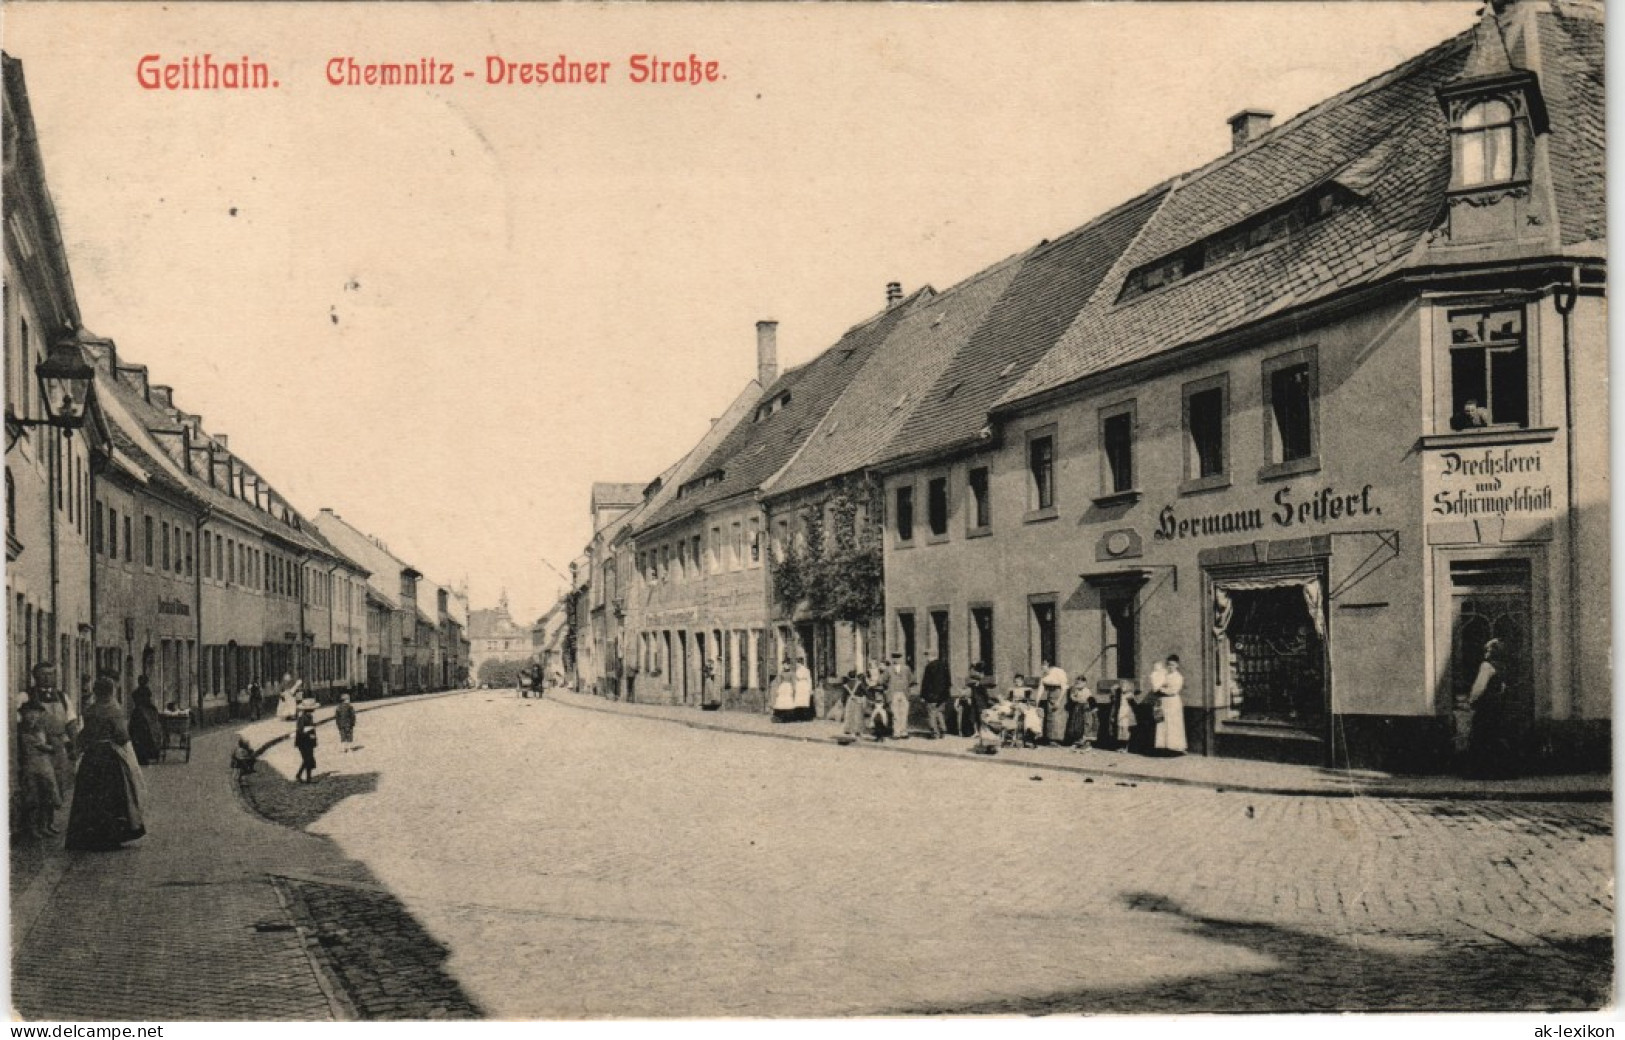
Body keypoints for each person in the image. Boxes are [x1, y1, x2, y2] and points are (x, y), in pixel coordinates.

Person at [64, 677, 146, 851]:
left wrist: (78, 749)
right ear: (111, 691)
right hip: (108, 756)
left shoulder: (90, 710)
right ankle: (109, 836)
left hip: (91, 757)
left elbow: (84, 735)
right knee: (112, 795)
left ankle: (87, 836)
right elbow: (122, 736)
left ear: (96, 692)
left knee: (89, 795)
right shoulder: (114, 710)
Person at [1464, 638, 1514, 778]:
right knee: (1496, 736)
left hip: (1487, 705)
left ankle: (1480, 771)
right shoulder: (1503, 667)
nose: (1486, 652)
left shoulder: (1486, 666)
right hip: (1499, 705)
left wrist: (1471, 700)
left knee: (1481, 735)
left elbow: (1479, 687)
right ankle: (1500, 770)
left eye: (1488, 649)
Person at [17, 701, 62, 838]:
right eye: (29, 713)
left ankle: (46, 825)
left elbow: (52, 744)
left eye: (35, 713)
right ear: (23, 714)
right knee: (33, 798)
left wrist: (52, 747)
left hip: (45, 766)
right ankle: (33, 827)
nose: (32, 716)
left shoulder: (41, 728)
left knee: (47, 796)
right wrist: (49, 747)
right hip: (30, 767)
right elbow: (44, 747)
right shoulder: (20, 730)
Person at [1151, 655, 1188, 755]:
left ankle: (1175, 746)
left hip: (1173, 702)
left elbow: (1173, 690)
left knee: (1173, 724)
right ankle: (1164, 746)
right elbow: (1157, 684)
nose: (1170, 667)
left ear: (1177, 665)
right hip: (1163, 702)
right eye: (1168, 665)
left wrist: (1162, 689)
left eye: (1172, 665)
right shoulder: (1165, 675)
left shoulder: (1178, 677)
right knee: (1162, 722)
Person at [918, 648, 952, 739]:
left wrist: (923, 696)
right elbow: (948, 681)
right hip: (943, 695)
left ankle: (935, 733)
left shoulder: (929, 666)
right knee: (940, 713)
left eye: (927, 655)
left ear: (930, 656)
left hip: (931, 696)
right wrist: (946, 693)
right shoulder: (944, 665)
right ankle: (943, 730)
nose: (926, 658)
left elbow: (926, 682)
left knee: (931, 714)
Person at [128, 682, 164, 766]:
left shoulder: (138, 694)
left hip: (141, 719)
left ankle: (142, 756)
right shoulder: (148, 707)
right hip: (143, 719)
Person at [1039, 661, 1069, 745]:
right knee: (1050, 716)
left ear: (1048, 665)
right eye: (1042, 665)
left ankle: (1058, 739)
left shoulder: (1058, 672)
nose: (1042, 667)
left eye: (1044, 665)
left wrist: (1059, 701)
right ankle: (1051, 739)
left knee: (1057, 717)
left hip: (1059, 694)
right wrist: (1037, 701)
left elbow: (1064, 688)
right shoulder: (1044, 675)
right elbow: (1041, 688)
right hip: (1050, 694)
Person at [886, 652, 914, 740]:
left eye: (896, 658)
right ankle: (903, 732)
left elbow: (881, 680)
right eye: (895, 658)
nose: (896, 660)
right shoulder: (906, 668)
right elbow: (912, 680)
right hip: (904, 693)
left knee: (896, 713)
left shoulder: (889, 669)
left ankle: (897, 733)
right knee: (903, 713)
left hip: (894, 693)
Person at [1063, 675, 1096, 747]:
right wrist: (1073, 696)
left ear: (1084, 683)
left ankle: (1085, 742)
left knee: (1085, 724)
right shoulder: (1076, 690)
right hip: (1077, 709)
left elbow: (1089, 700)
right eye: (1076, 683)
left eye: (1080, 683)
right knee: (1076, 724)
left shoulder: (1087, 691)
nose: (1077, 685)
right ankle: (1077, 740)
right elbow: (1073, 698)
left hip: (1085, 710)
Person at [293, 702, 319, 783]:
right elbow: (300, 730)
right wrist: (310, 730)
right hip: (303, 742)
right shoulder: (302, 718)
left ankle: (306, 778)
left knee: (308, 759)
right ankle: (303, 777)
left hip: (308, 742)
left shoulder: (309, 717)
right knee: (307, 759)